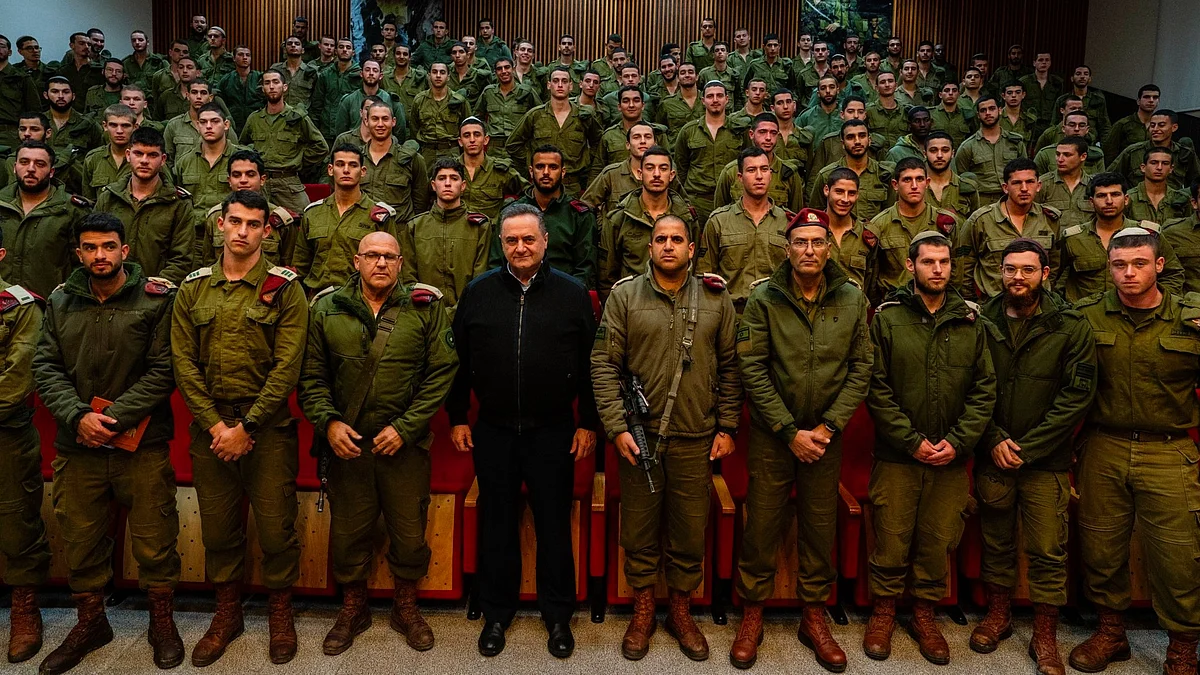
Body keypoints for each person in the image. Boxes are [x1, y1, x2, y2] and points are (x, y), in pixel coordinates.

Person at [33, 212, 183, 674]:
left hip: (142, 442)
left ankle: (162, 621)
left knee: (156, 538)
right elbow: (44, 365)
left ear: (125, 250)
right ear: (78, 252)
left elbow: (165, 369)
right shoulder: (60, 302)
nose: (101, 255)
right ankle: (91, 621)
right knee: (80, 537)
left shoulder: (156, 300)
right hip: (79, 444)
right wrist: (79, 416)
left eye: (109, 246)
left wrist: (113, 417)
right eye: (91, 248)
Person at [449, 203, 598, 658]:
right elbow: (459, 364)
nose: (520, 247)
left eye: (528, 239)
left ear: (545, 241)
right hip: (493, 430)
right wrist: (457, 415)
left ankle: (558, 616)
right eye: (511, 240)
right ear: (501, 244)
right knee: (497, 523)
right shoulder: (478, 293)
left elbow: (593, 365)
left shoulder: (573, 295)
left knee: (554, 525)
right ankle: (496, 613)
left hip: (553, 430)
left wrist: (589, 422)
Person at [299, 231, 458, 655]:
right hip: (347, 445)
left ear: (401, 263)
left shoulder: (425, 307)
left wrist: (407, 427)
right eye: (373, 256)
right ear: (356, 261)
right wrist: (328, 423)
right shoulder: (328, 308)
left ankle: (406, 607)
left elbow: (441, 373)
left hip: (404, 445)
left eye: (389, 257)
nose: (381, 263)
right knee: (350, 532)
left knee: (408, 532)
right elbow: (311, 375)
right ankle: (354, 607)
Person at [592, 215, 741, 662]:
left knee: (689, 530)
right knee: (638, 528)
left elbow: (732, 367)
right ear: (649, 247)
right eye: (661, 239)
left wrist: (728, 427)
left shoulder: (717, 299)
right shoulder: (624, 296)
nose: (669, 246)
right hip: (641, 437)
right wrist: (616, 426)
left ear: (692, 249)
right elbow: (603, 365)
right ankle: (642, 609)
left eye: (678, 239)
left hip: (696, 437)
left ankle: (680, 608)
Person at [171, 190, 308, 667]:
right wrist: (215, 424)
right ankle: (226, 613)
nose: (243, 231)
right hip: (210, 428)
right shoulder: (192, 288)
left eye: (253, 223)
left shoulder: (285, 287)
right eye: (235, 221)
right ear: (220, 225)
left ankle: (280, 612)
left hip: (266, 427)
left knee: (276, 528)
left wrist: (246, 425)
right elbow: (183, 364)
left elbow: (287, 367)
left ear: (267, 230)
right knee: (219, 529)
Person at [731, 207, 872, 671]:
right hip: (776, 436)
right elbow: (751, 367)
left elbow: (861, 367)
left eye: (817, 242)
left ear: (828, 247)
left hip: (825, 437)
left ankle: (814, 615)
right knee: (762, 526)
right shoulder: (764, 298)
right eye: (800, 242)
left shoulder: (851, 298)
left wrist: (828, 428)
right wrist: (789, 432)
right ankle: (751, 613)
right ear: (786, 247)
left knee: (818, 526)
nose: (808, 250)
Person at [1070, 227, 1200, 675]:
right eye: (1119, 265)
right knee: (1101, 549)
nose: (1128, 273)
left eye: (1139, 264)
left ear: (1159, 265)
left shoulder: (1191, 317)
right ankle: (1111, 633)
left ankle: (1182, 648)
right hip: (1103, 445)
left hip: (1169, 450)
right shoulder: (1087, 317)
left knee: (1179, 555)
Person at [863, 230, 996, 666]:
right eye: (928, 262)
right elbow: (876, 387)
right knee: (892, 537)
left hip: (950, 457)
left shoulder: (971, 321)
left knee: (939, 540)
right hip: (899, 454)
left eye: (943, 262)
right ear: (910, 265)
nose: (937, 269)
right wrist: (911, 440)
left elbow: (984, 390)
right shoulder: (887, 318)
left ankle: (924, 614)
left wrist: (956, 443)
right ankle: (882, 613)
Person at [969, 238, 1096, 675]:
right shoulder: (980, 320)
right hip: (993, 453)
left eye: (1026, 269)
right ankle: (999, 614)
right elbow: (968, 388)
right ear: (999, 273)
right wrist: (993, 439)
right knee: (996, 542)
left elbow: (1077, 395)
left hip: (1046, 459)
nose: (1017, 277)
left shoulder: (1070, 324)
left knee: (1047, 549)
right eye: (1009, 269)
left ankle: (1045, 633)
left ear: (1045, 273)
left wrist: (1029, 447)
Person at [0, 223, 51, 666]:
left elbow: (17, 379)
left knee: (17, 521)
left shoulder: (18, 306)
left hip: (6, 433)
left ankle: (24, 607)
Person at [1055, 173, 1185, 301]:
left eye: (1115, 194)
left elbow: (1173, 274)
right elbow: (1054, 277)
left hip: (1136, 313)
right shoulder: (1073, 238)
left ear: (1126, 199)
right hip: (1085, 316)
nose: (1109, 201)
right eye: (1101, 196)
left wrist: (1155, 302)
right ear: (1091, 202)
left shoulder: (1148, 234)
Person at [93, 128, 196, 284]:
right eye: (138, 154)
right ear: (128, 155)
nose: (144, 161)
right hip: (110, 289)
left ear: (163, 160)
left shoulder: (178, 203)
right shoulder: (109, 197)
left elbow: (182, 259)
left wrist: (152, 288)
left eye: (152, 155)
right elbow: (93, 244)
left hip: (157, 293)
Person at [294, 144, 399, 294]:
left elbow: (391, 265)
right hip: (318, 299)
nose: (346, 170)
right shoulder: (313, 213)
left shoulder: (379, 216)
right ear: (330, 169)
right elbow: (300, 265)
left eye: (353, 165)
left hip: (361, 299)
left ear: (363, 171)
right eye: (340, 164)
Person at [489, 144, 595, 287]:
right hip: (516, 290)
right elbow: (496, 263)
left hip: (563, 292)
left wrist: (570, 295)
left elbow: (586, 268)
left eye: (553, 167)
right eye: (540, 167)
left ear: (563, 172)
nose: (546, 172)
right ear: (531, 172)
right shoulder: (511, 213)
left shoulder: (579, 215)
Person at [699, 147, 792, 310]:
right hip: (733, 311)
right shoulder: (719, 221)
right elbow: (704, 275)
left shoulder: (789, 222)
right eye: (751, 170)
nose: (759, 176)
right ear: (740, 178)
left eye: (764, 169)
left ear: (771, 174)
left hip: (778, 311)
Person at [957, 158, 1062, 300]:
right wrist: (973, 301)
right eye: (1017, 183)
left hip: (1038, 304)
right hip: (994, 305)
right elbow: (964, 265)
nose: (1024, 188)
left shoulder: (1050, 219)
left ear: (1038, 185)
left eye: (1030, 182)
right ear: (1005, 187)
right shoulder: (981, 220)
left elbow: (1055, 263)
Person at [597, 145, 697, 293]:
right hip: (631, 301)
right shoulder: (619, 218)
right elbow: (607, 276)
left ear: (672, 175)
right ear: (639, 173)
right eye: (650, 168)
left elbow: (694, 267)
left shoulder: (686, 218)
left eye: (663, 169)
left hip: (677, 299)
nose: (656, 174)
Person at [398, 157, 491, 315]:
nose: (448, 183)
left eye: (454, 178)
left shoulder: (480, 226)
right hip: (424, 315)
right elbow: (408, 280)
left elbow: (480, 279)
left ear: (463, 186)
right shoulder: (415, 227)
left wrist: (456, 313)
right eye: (442, 178)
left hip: (467, 314)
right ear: (433, 185)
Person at [0, 141, 89, 298]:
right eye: (24, 162)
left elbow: (83, 263)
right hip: (3, 305)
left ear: (52, 171)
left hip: (51, 304)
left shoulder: (71, 209)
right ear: (14, 167)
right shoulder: (2, 203)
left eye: (40, 164)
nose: (31, 169)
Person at [865, 157, 958, 305]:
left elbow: (957, 267)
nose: (914, 186)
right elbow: (871, 274)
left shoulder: (944, 222)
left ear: (927, 183)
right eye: (907, 180)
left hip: (938, 300)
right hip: (895, 303)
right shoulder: (880, 225)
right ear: (895, 185)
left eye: (919, 179)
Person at [241, 67, 329, 212]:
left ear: (285, 87)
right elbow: (242, 146)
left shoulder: (297, 117)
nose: (271, 86)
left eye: (276, 82)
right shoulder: (254, 119)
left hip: (288, 181)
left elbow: (321, 147)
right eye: (267, 83)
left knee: (305, 216)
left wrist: (298, 160)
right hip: (260, 181)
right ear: (263, 88)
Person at [507, 67, 602, 196]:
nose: (560, 85)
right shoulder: (535, 115)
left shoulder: (583, 116)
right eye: (556, 81)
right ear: (548, 85)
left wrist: (585, 160)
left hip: (572, 185)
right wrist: (533, 160)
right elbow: (513, 144)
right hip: (541, 185)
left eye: (564, 81)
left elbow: (598, 142)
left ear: (570, 86)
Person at [200, 149, 298, 266]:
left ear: (262, 179)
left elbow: (289, 266)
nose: (243, 180)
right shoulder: (216, 216)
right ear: (229, 181)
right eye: (236, 175)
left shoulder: (280, 220)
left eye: (250, 175)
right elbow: (208, 262)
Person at [675, 81, 747, 224]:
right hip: (697, 201)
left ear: (727, 99)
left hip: (732, 201)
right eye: (710, 96)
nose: (715, 100)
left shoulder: (739, 130)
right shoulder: (689, 131)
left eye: (719, 96)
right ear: (703, 101)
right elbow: (680, 168)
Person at [714, 113, 804, 213]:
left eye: (773, 133)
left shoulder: (788, 173)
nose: (768, 138)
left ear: (778, 136)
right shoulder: (731, 171)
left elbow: (796, 216)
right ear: (751, 134)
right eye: (762, 132)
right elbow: (720, 213)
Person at [810, 120, 896, 222]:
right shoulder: (826, 175)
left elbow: (891, 214)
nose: (857, 141)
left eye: (862, 136)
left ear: (869, 140)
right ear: (842, 143)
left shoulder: (884, 174)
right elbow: (815, 215)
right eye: (850, 137)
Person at [358, 101, 429, 223]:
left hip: (399, 233)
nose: (380, 124)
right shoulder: (355, 160)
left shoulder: (412, 159)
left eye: (385, 119)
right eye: (375, 119)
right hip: (362, 231)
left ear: (393, 121)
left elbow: (421, 202)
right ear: (366, 122)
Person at [172, 103, 242, 227]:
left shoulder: (242, 160)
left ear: (226, 125)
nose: (208, 126)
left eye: (215, 121)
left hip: (230, 231)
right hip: (194, 233)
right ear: (198, 126)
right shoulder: (185, 162)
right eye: (203, 122)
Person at [584, 120, 666, 218]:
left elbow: (683, 206)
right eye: (636, 137)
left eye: (648, 137)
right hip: (618, 232)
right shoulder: (611, 174)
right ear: (628, 145)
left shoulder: (665, 174)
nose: (643, 141)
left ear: (655, 144)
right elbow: (586, 205)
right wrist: (603, 225)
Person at [954, 96, 1028, 203]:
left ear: (1000, 110)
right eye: (983, 110)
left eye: (992, 109)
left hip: (1011, 197)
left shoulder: (1015, 142)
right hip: (982, 200)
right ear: (978, 115)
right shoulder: (968, 146)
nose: (988, 113)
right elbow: (961, 178)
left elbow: (1025, 171)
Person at [1111, 109, 1200, 190]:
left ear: (1174, 127)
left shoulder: (1185, 153)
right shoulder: (1133, 151)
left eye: (1161, 125)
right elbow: (1110, 177)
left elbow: (1196, 182)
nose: (1155, 129)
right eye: (1152, 125)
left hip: (1173, 204)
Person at [475, 57, 541, 161]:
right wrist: (486, 131)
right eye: (499, 69)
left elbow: (539, 116)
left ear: (513, 69)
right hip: (494, 148)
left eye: (507, 67)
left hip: (519, 147)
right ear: (495, 72)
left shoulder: (526, 92)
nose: (504, 71)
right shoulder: (489, 92)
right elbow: (478, 117)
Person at [822, 168, 875, 288]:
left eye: (851, 193)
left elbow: (871, 282)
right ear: (827, 190)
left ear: (857, 195)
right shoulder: (812, 231)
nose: (845, 199)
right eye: (839, 192)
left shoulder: (868, 235)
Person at [1035, 136, 1094, 230]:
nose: (1060, 159)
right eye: (1058, 154)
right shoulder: (1043, 184)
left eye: (1067, 155)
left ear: (1083, 156)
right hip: (1052, 241)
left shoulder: (1093, 185)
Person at [80, 104, 137, 202]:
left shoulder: (146, 158)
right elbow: (89, 200)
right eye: (113, 125)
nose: (119, 131)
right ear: (105, 126)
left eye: (125, 125)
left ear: (135, 127)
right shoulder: (93, 159)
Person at [1125, 147, 1191, 223]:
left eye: (1165, 163)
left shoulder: (1181, 199)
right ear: (1143, 167)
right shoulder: (1129, 198)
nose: (1159, 168)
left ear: (1171, 169)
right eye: (1154, 163)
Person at [924, 131, 981, 219]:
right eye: (933, 150)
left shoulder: (968, 187)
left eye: (945, 150)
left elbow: (974, 224)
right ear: (925, 154)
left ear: (952, 154)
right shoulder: (915, 188)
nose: (939, 155)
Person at [1103, 84, 1160, 164]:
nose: (1151, 100)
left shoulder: (1160, 126)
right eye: (1146, 97)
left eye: (1155, 97)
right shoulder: (1124, 124)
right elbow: (1109, 153)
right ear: (1138, 101)